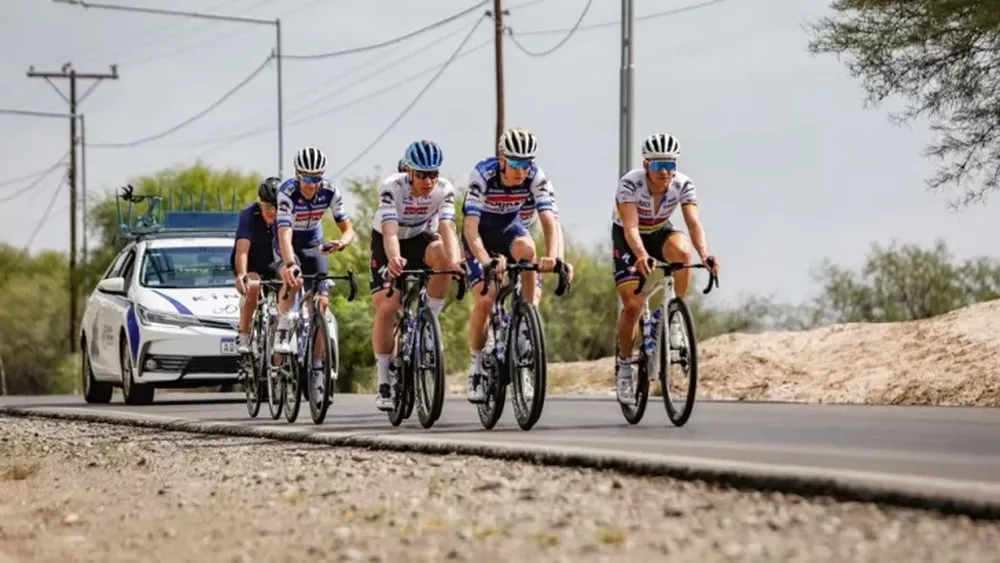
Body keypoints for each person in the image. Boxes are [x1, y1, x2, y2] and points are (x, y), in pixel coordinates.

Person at [461, 127, 572, 403]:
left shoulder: (536, 176)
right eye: (516, 164)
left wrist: (555, 257)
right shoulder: (483, 174)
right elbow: (470, 227)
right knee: (486, 300)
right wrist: (485, 260)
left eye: (527, 164)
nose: (522, 170)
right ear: (502, 160)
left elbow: (550, 221)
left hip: (511, 229)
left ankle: (526, 321)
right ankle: (475, 366)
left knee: (528, 250)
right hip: (481, 236)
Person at [611, 133, 719, 404]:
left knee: (683, 252)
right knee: (633, 306)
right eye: (659, 166)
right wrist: (640, 255)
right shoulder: (630, 184)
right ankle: (625, 366)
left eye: (670, 165)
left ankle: (673, 316)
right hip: (628, 238)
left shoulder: (683, 185)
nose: (665, 172)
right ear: (646, 164)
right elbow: (631, 227)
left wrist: (705, 254)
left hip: (659, 231)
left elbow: (693, 224)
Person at [370, 140, 464, 411]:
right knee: (388, 306)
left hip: (421, 237)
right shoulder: (392, 188)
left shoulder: (444, 190)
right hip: (389, 241)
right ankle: (384, 378)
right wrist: (394, 258)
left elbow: (447, 227)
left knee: (445, 260)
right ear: (409, 172)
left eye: (433, 173)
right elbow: (389, 230)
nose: (428, 180)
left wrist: (456, 262)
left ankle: (428, 323)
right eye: (422, 174)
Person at [272, 146, 357, 356]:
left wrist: (341, 243)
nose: (312, 185)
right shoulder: (286, 193)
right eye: (307, 179)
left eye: (317, 179)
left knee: (323, 303)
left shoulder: (330, 191)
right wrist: (290, 264)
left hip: (313, 242)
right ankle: (283, 328)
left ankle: (318, 366)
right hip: (288, 241)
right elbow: (284, 235)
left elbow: (349, 230)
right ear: (297, 175)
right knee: (294, 280)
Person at [231, 176, 281, 355]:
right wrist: (241, 274)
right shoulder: (249, 214)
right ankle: (244, 333)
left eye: (277, 207)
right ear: (260, 203)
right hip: (251, 261)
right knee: (253, 285)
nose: (272, 212)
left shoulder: (285, 217)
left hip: (273, 262)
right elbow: (242, 250)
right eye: (268, 207)